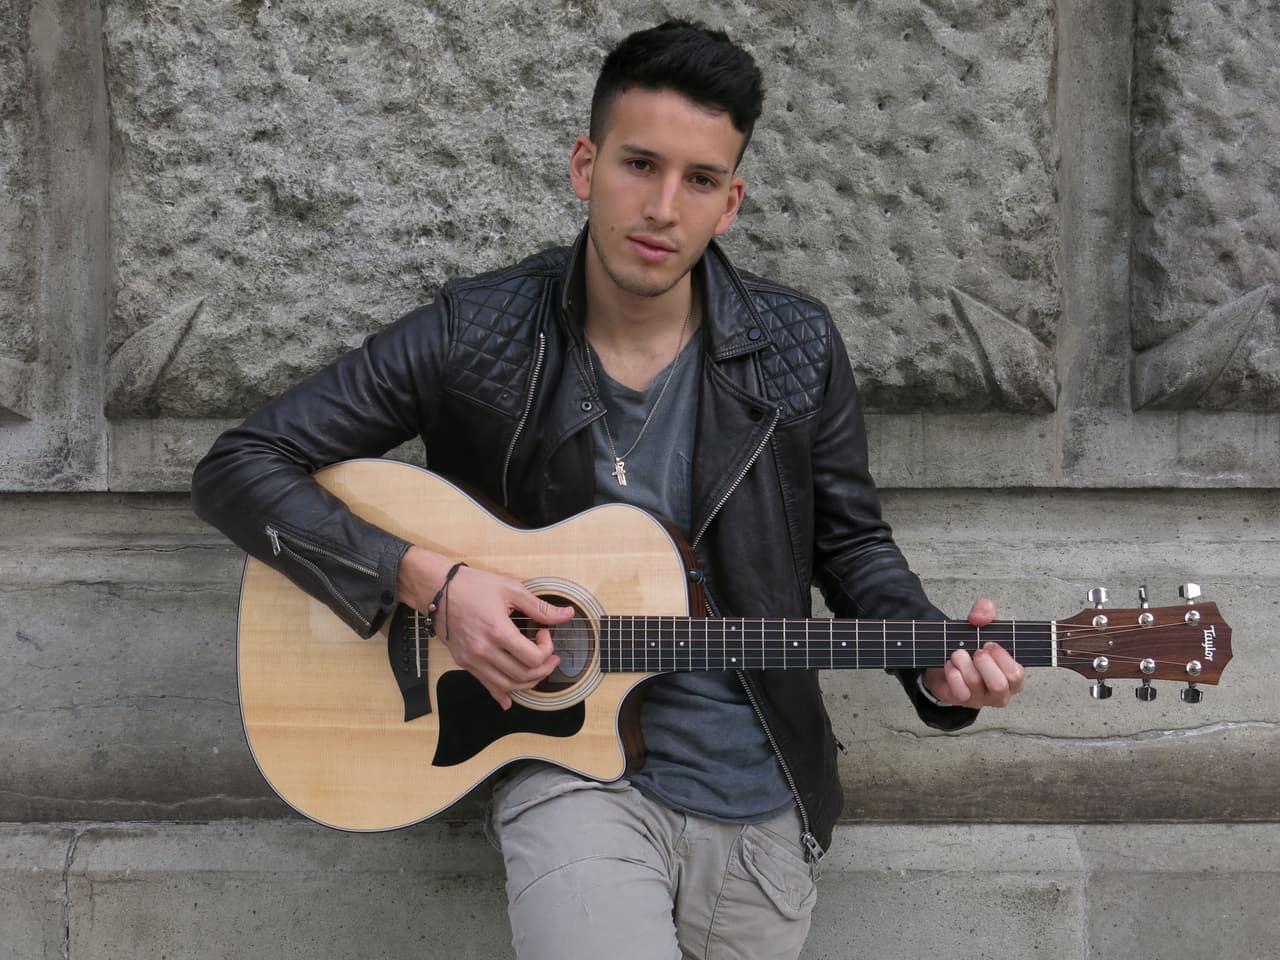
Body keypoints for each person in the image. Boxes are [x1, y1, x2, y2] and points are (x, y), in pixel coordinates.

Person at [192, 19, 1024, 960]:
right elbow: (238, 467)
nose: (663, 206)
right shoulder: (484, 333)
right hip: (570, 776)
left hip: (759, 788)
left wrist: (932, 659)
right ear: (585, 165)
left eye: (699, 180)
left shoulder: (796, 350)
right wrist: (433, 583)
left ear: (731, 202)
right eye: (639, 164)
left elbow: (853, 545)